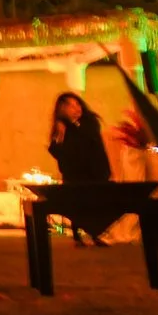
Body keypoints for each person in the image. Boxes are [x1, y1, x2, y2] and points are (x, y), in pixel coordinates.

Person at [46, 93, 112, 246]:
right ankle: (77, 235)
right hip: (74, 172)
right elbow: (55, 150)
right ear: (62, 108)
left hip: (95, 169)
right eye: (71, 105)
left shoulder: (90, 121)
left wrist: (75, 123)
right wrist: (60, 135)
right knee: (76, 203)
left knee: (96, 203)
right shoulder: (61, 127)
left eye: (78, 104)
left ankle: (96, 234)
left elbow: (90, 139)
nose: (76, 108)